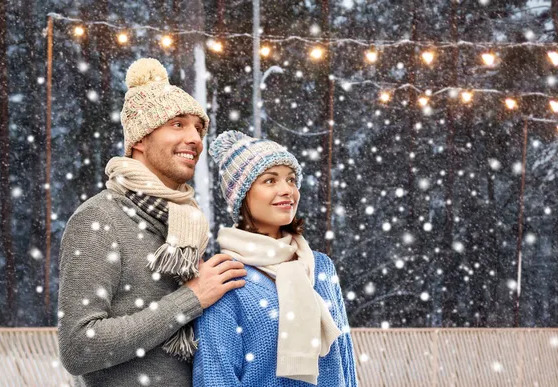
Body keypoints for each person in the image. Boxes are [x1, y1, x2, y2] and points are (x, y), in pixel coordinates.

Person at [57, 58, 246, 387]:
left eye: (198, 128)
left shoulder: (185, 225)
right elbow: (79, 347)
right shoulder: (99, 218)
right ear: (140, 140)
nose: (195, 138)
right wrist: (189, 300)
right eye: (178, 124)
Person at [193, 130, 358, 386]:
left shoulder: (321, 266)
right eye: (270, 181)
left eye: (291, 180)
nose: (287, 190)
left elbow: (345, 360)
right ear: (243, 196)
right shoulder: (226, 275)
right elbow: (216, 376)